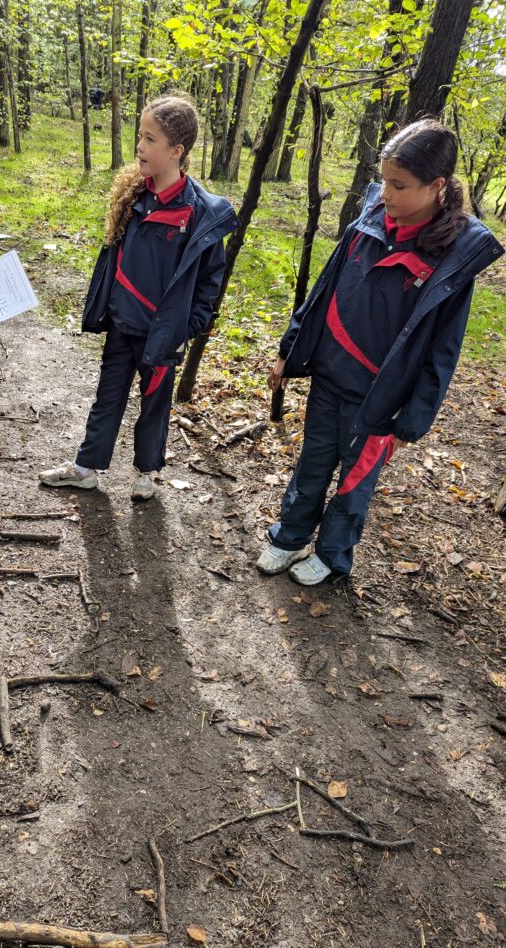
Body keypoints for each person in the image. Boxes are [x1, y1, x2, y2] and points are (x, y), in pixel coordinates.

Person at [255, 118, 503, 585]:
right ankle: (289, 537)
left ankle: (331, 556)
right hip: (330, 375)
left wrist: (415, 416)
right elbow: (323, 291)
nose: (386, 193)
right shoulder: (367, 222)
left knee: (354, 481)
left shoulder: (451, 259)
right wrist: (290, 350)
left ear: (436, 187)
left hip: (379, 401)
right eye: (384, 179)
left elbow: (443, 349)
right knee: (313, 461)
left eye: (399, 185)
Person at [39, 95, 237, 500]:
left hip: (162, 336)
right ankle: (86, 467)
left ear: (176, 151)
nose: (139, 148)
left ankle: (146, 473)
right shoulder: (134, 197)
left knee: (154, 405)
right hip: (122, 325)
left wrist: (189, 324)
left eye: (149, 139)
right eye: (140, 137)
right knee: (106, 398)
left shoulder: (198, 213)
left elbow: (209, 280)